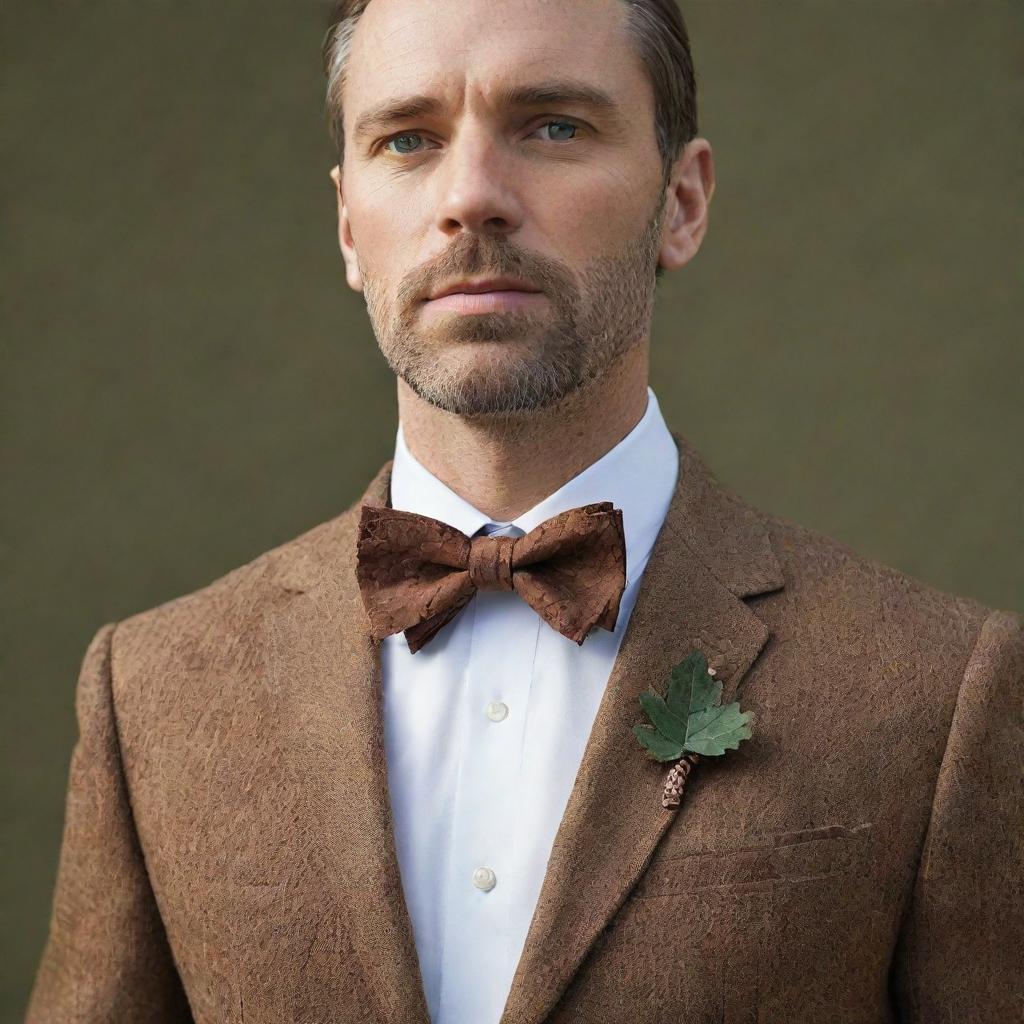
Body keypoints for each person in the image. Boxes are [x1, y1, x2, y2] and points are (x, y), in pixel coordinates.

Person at [26, 0, 1022, 1021]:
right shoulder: (151, 694)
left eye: (552, 125)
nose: (470, 196)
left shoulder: (941, 693)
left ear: (680, 203)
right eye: (407, 140)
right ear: (346, 226)